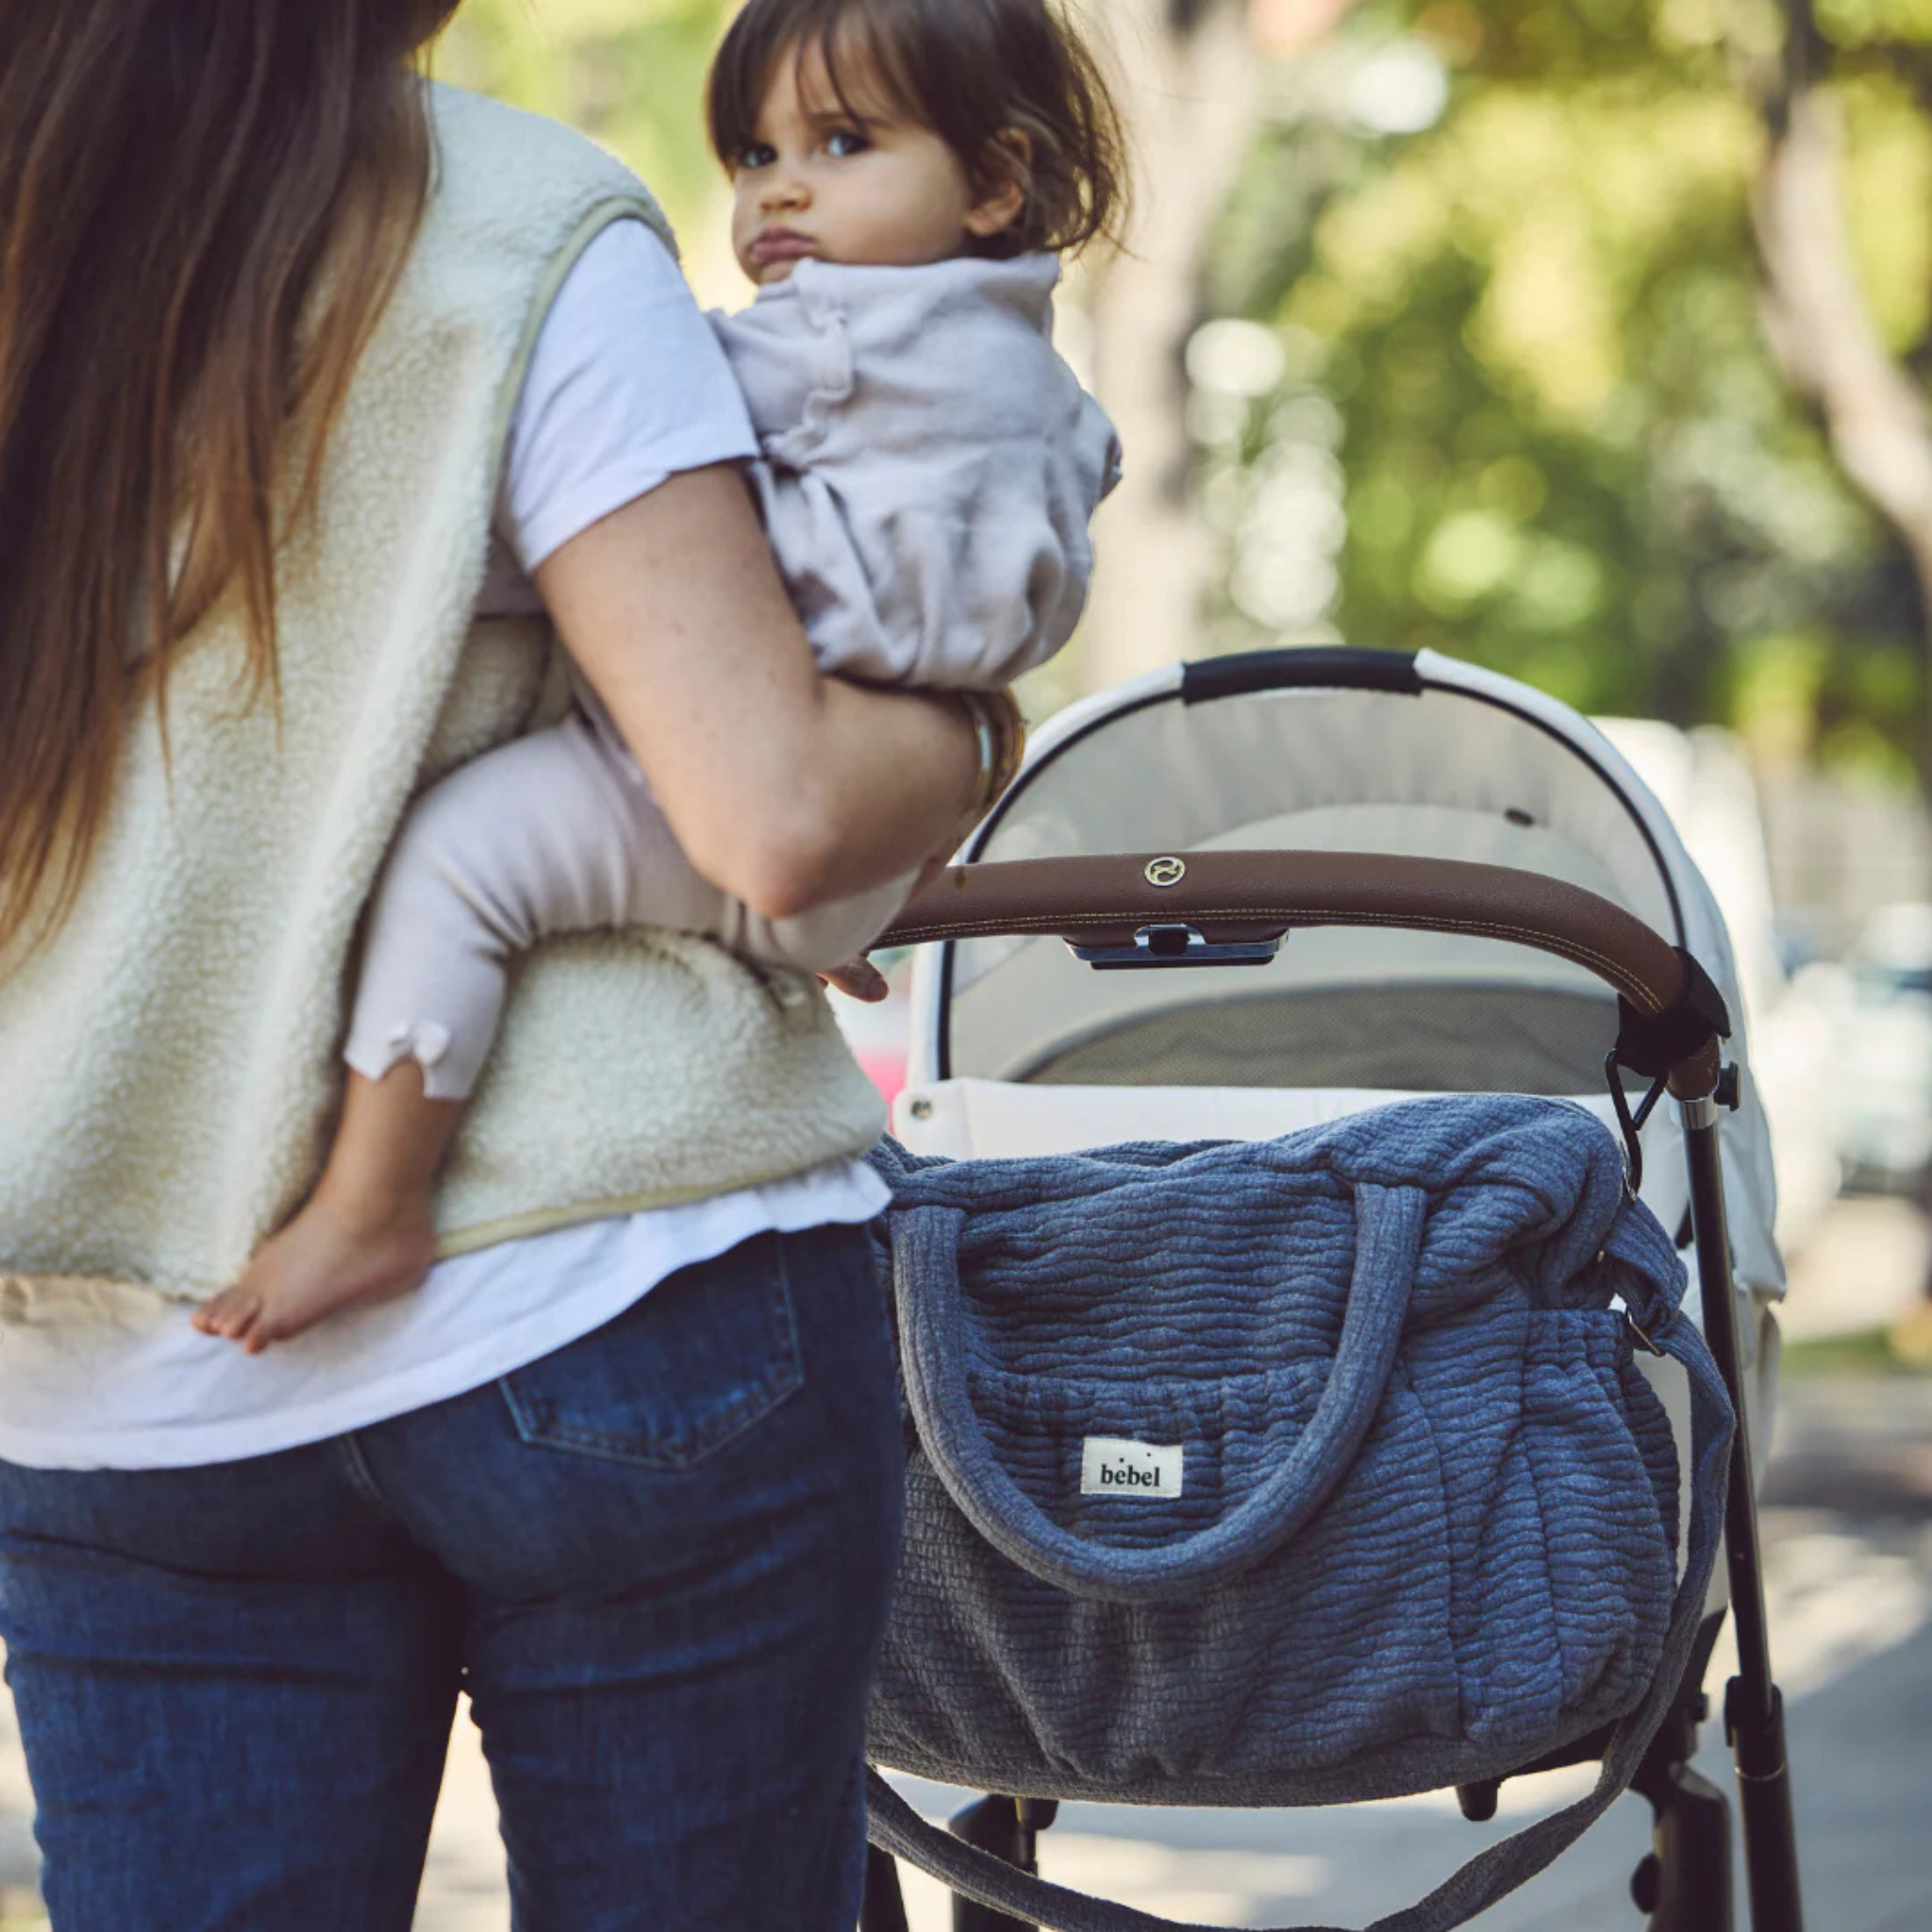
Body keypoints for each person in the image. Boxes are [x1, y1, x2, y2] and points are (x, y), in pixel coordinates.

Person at [0, 1, 1090, 1924]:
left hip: (126, 1356)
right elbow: (773, 815)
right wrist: (970, 748)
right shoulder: (506, 216)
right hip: (620, 1294)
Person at [196, 0, 1125, 1353]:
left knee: (462, 862)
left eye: (844, 141)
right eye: (754, 154)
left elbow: (587, 452)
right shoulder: (1034, 370)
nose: (780, 190)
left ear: (994, 182)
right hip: (878, 841)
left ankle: (369, 1202)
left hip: (744, 776)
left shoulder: (834, 342)